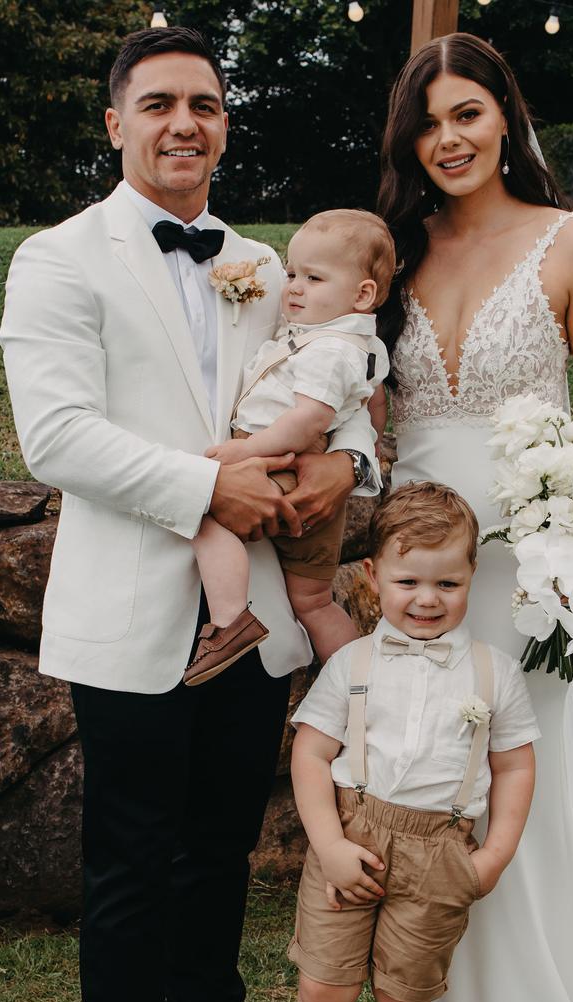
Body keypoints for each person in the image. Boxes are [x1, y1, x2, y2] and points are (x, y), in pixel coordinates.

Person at [0, 27, 378, 1002]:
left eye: (203, 105)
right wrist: (210, 491)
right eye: (161, 103)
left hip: (252, 615)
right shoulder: (58, 258)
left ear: (224, 129)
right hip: (130, 616)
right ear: (117, 121)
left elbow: (343, 390)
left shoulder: (266, 264)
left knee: (220, 858)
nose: (183, 123)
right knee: (127, 870)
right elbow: (59, 437)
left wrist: (348, 466)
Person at [377, 32, 573, 1002]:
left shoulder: (570, 243)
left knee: (519, 768)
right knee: (432, 775)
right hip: (420, 566)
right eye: (427, 124)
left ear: (506, 115)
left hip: (532, 569)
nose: (448, 139)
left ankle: (535, 996)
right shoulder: (395, 251)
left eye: (466, 114)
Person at [288, 481, 540, 1002]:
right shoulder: (352, 664)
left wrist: (494, 856)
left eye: (448, 583)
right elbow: (310, 755)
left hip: (441, 852)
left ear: (472, 576)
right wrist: (329, 844)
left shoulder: (495, 672)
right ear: (373, 577)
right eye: (408, 581)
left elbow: (515, 764)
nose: (428, 599)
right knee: (324, 994)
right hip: (352, 836)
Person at [186, 209, 392, 682]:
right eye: (293, 273)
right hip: (310, 481)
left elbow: (307, 421)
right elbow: (373, 405)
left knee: (202, 511)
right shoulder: (350, 342)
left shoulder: (329, 349)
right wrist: (358, 449)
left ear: (362, 294)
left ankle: (230, 620)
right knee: (314, 602)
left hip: (277, 467)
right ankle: (364, 683)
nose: (293, 286)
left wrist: (245, 451)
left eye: (313, 278)